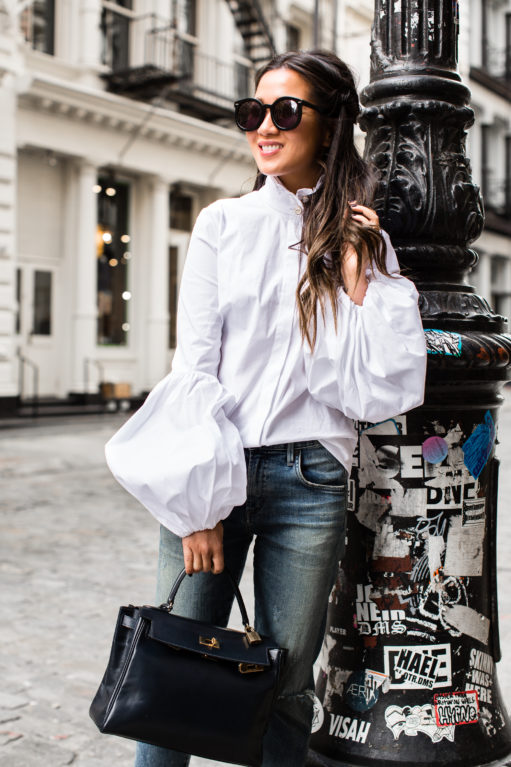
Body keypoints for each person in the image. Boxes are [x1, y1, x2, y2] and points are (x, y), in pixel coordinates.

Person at [106, 49, 427, 767]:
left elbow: (384, 387)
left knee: (285, 681)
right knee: (171, 668)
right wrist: (199, 504)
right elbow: (193, 367)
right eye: (253, 112)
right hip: (213, 468)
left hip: (309, 478)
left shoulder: (361, 241)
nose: (264, 128)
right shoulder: (225, 224)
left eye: (284, 112)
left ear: (329, 123)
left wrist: (355, 278)